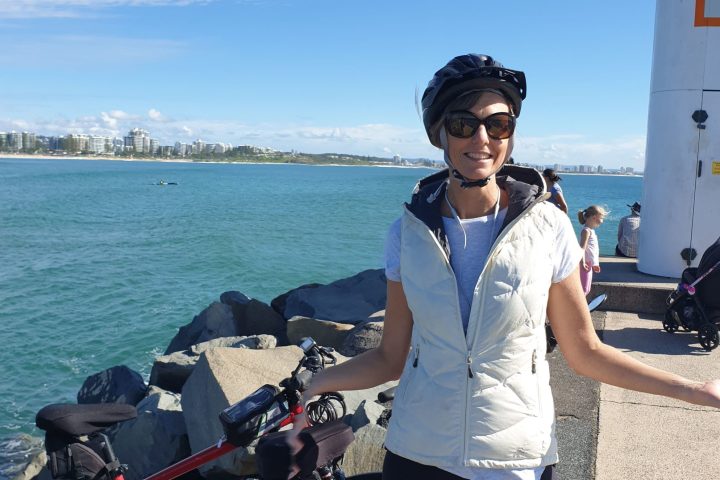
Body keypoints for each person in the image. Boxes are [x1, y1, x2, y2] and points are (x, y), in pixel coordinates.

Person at [289, 53, 720, 480]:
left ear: (510, 134)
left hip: (515, 460)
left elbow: (585, 352)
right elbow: (389, 357)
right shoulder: (406, 234)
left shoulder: (548, 226)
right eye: (463, 124)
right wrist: (315, 384)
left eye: (498, 124)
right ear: (439, 133)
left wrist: (694, 390)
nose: (482, 138)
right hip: (416, 452)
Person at [577, 205, 606, 296]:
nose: (602, 221)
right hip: (585, 264)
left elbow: (592, 250)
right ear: (594, 217)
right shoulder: (586, 231)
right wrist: (582, 262)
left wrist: (595, 264)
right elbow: (582, 248)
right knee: (584, 289)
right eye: (601, 218)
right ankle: (579, 309)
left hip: (589, 264)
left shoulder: (591, 231)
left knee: (587, 289)